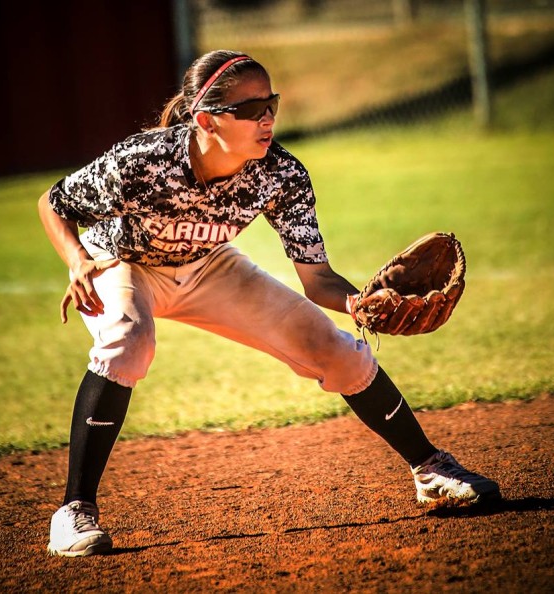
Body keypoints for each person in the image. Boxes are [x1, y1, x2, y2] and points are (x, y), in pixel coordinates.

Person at [38, 50, 500, 557]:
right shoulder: (144, 161)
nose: (268, 118)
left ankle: (431, 468)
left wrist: (361, 303)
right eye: (251, 109)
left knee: (335, 349)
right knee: (129, 343)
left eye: (271, 103)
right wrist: (77, 259)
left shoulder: (281, 173)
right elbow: (54, 203)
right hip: (122, 259)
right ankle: (73, 511)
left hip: (208, 266)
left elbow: (319, 280)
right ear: (206, 120)